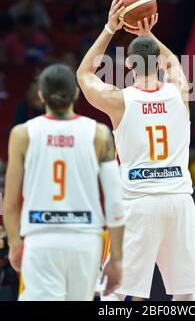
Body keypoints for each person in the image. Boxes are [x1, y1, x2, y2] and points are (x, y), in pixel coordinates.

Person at [77, 0, 195, 301]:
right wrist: (147, 33)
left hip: (138, 203)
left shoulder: (119, 100)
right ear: (157, 63)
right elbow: (172, 62)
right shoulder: (180, 92)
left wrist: (110, 28)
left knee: (115, 295)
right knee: (185, 296)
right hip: (178, 201)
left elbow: (83, 75)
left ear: (129, 65)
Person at [3, 63, 124, 301]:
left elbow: (10, 201)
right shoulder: (99, 133)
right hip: (85, 239)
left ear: (40, 95)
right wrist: (117, 258)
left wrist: (15, 243)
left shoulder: (22, 134)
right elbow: (114, 201)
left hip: (41, 237)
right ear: (76, 94)